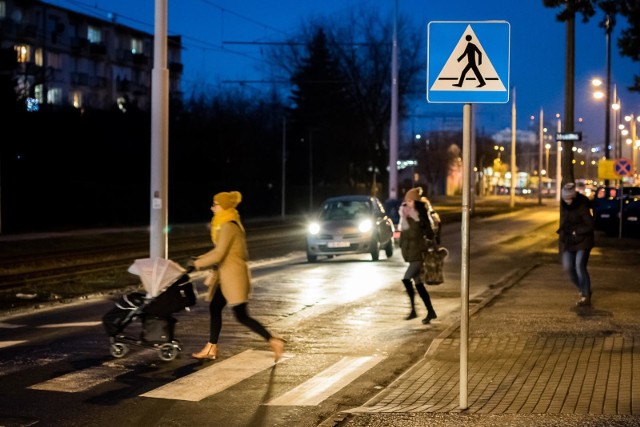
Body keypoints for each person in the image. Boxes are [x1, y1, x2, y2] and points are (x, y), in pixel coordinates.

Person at [188, 191, 286, 362]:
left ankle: (273, 340)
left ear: (223, 206)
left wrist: (196, 263)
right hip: (227, 276)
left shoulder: (228, 226)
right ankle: (211, 347)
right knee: (215, 307)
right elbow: (219, 252)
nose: (212, 208)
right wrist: (198, 260)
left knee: (241, 315)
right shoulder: (227, 224)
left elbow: (219, 253)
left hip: (233, 278)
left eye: (215, 205)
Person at [398, 187, 438, 324]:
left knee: (406, 279)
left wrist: (424, 225)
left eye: (410, 200)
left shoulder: (421, 216)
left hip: (419, 254)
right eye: (406, 200)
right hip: (410, 254)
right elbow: (403, 235)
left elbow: (431, 234)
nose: (407, 203)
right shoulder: (404, 215)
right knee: (419, 284)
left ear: (415, 201)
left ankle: (414, 310)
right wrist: (402, 246)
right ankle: (430, 311)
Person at [557, 182, 595, 306]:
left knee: (579, 266)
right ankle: (582, 288)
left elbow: (590, 225)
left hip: (583, 241)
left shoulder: (581, 205)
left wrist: (576, 231)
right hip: (570, 241)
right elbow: (565, 222)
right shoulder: (564, 205)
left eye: (569, 198)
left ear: (573, 197)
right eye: (565, 198)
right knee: (568, 267)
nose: (567, 201)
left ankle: (586, 295)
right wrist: (563, 233)